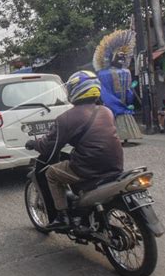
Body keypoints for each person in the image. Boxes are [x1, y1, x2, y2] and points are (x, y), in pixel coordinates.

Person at [25, 71, 124, 229]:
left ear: (75, 90)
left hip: (88, 169)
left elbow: (47, 145)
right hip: (115, 164)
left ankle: (62, 216)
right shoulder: (106, 111)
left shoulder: (67, 118)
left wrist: (33, 143)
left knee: (51, 173)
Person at [94, 30, 143, 142]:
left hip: (121, 104)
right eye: (119, 57)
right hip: (112, 106)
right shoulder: (104, 74)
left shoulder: (125, 72)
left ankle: (122, 137)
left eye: (123, 58)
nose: (122, 60)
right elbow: (106, 93)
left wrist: (128, 97)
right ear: (111, 58)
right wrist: (117, 104)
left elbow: (127, 90)